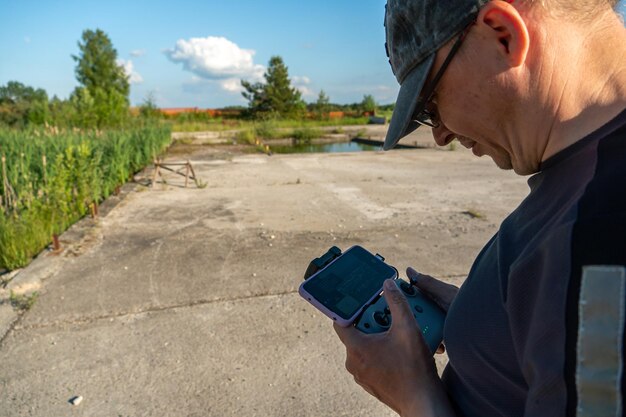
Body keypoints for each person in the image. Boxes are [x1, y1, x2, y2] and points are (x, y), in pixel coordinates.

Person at [333, 0, 626, 416]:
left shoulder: (601, 228)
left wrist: (414, 398)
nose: (439, 134)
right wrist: (488, 323)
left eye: (430, 104)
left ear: (502, 34)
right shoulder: (589, 176)